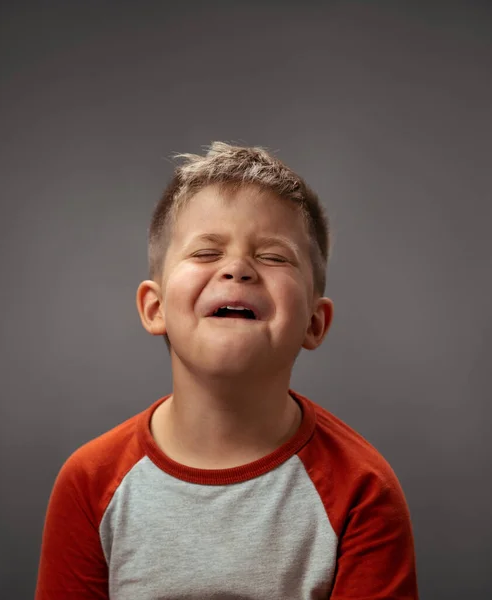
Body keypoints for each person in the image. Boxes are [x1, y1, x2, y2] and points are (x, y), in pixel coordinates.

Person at [35, 142, 419, 599]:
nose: (238, 269)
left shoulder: (362, 489)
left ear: (314, 324)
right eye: (205, 253)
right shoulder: (90, 482)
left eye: (274, 257)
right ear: (155, 308)